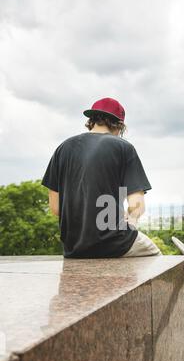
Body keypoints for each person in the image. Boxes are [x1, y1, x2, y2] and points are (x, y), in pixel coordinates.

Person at [42, 97, 161, 258]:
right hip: (115, 243)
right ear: (119, 126)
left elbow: (55, 208)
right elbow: (136, 205)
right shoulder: (123, 147)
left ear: (92, 121)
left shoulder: (62, 148)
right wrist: (130, 219)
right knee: (159, 260)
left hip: (74, 248)